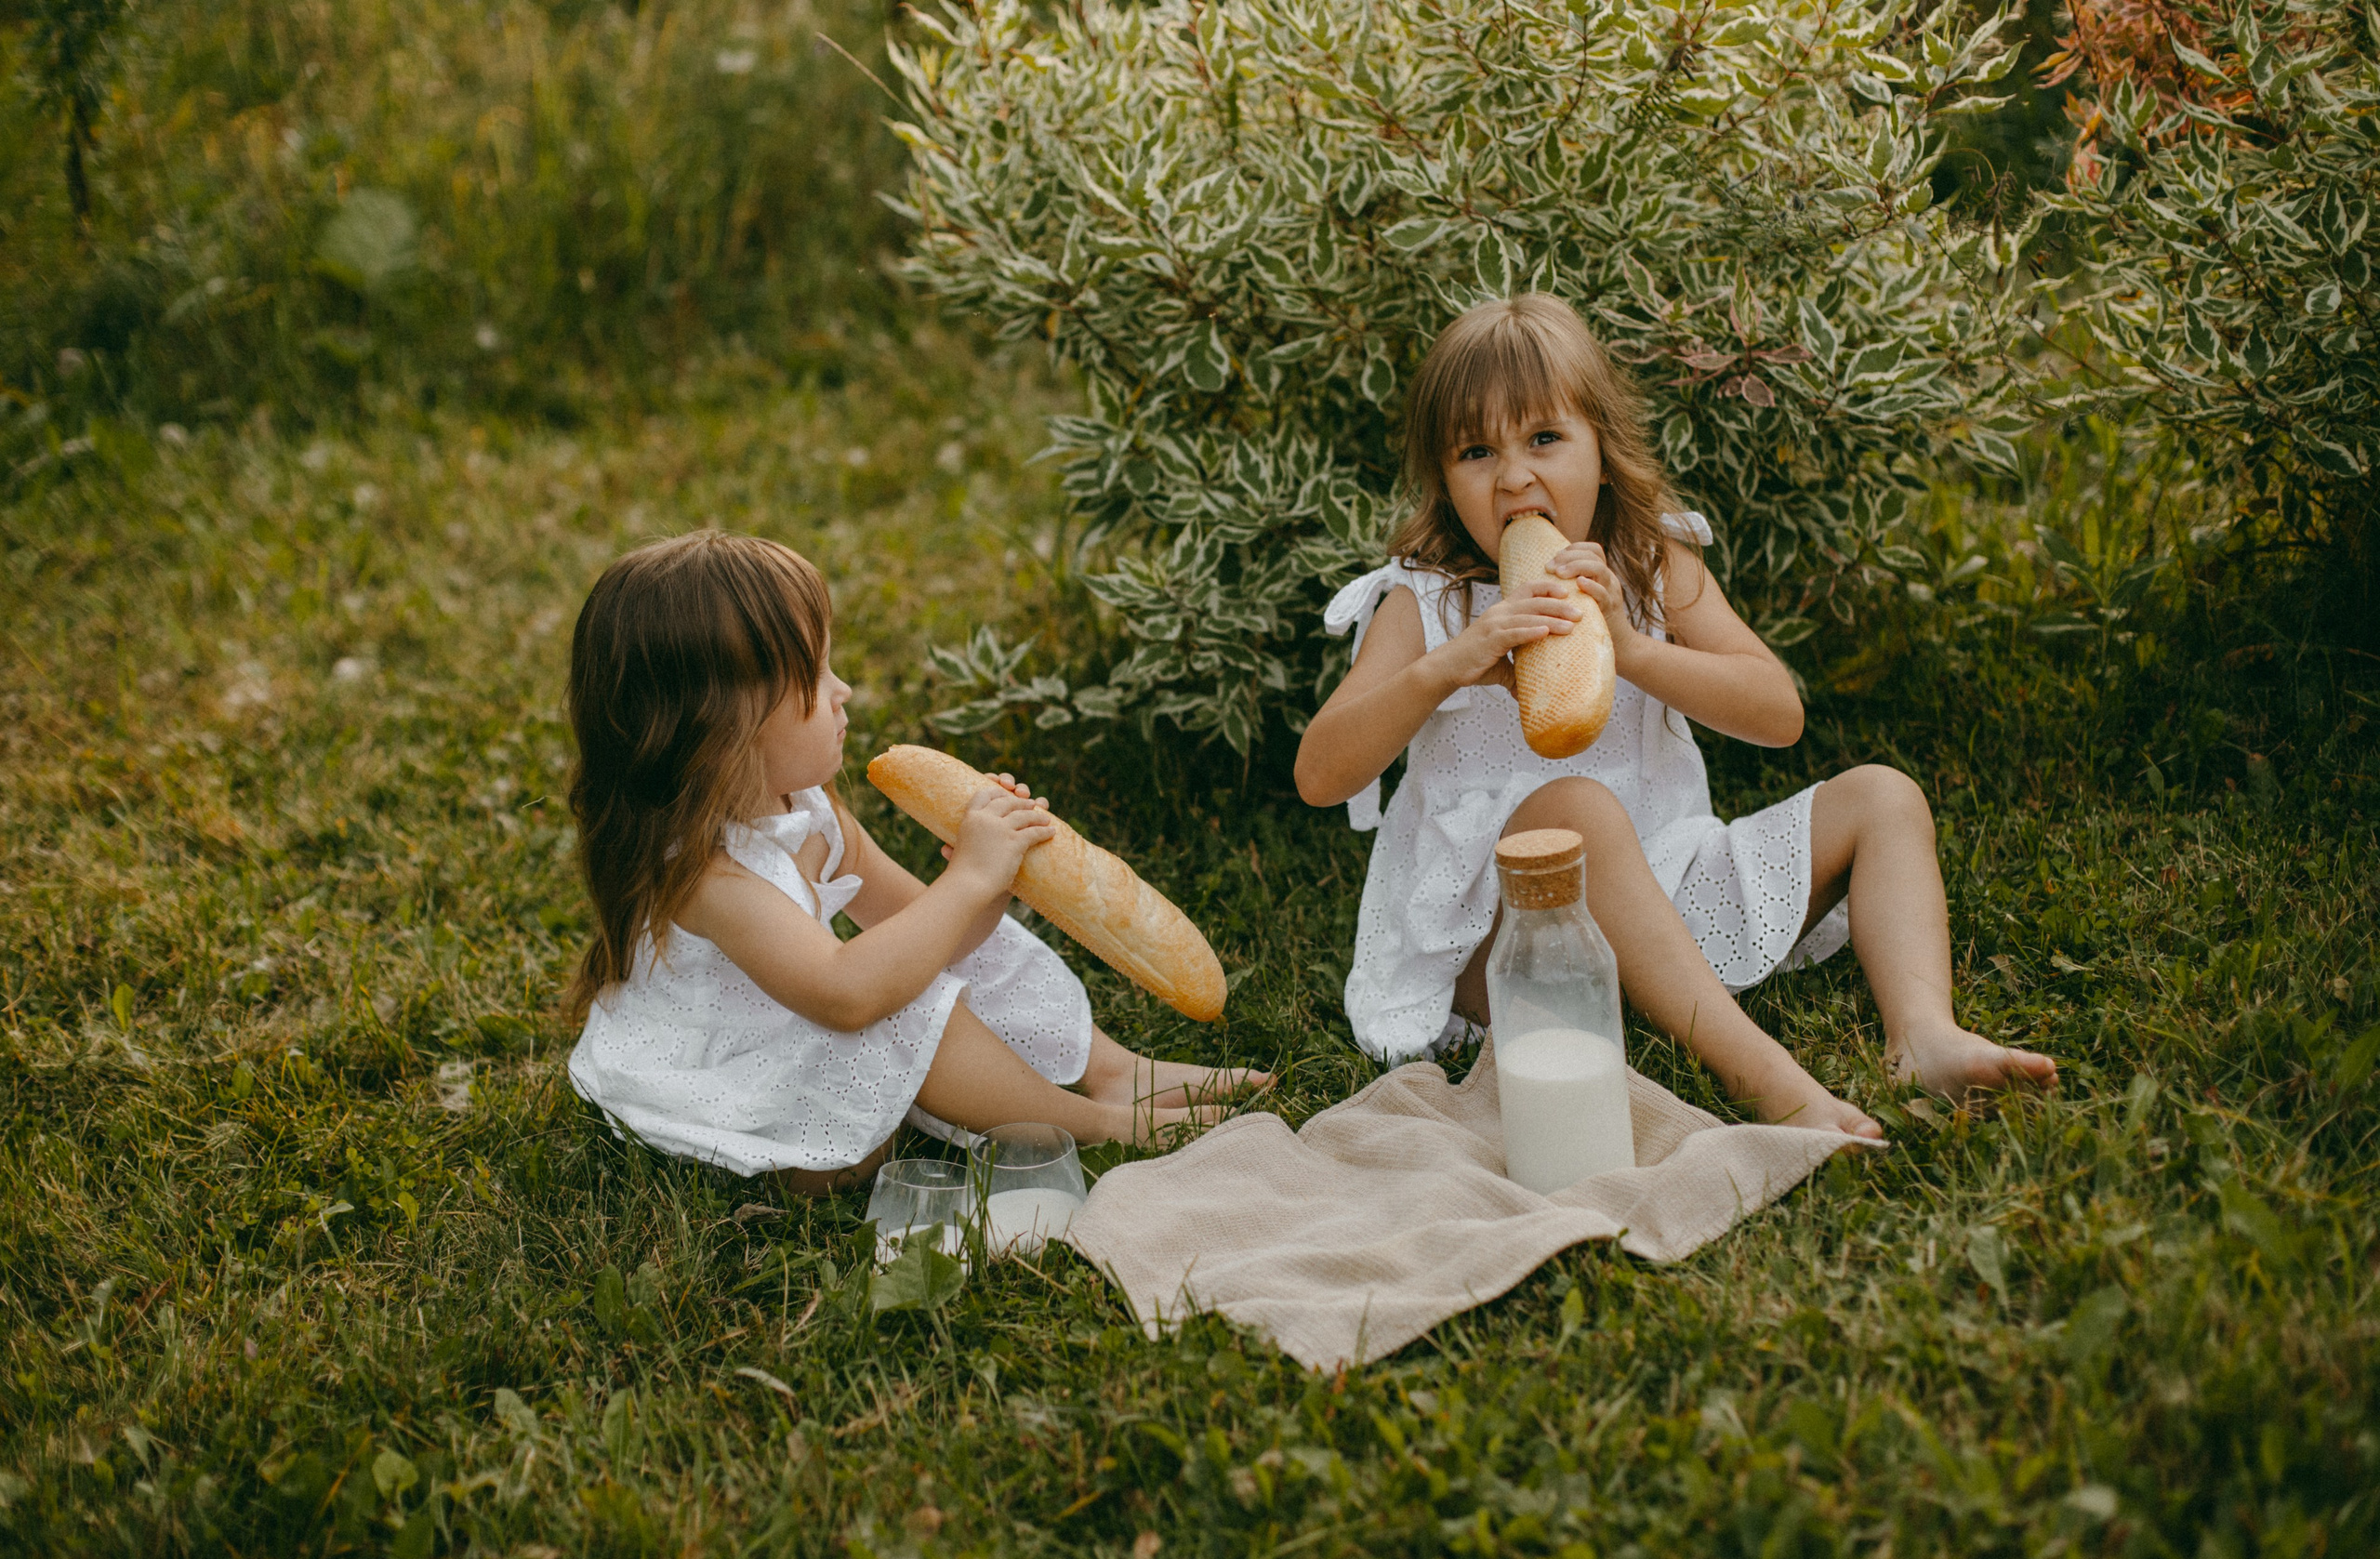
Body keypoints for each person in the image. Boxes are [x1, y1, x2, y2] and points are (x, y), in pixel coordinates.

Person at [1293, 295, 2054, 1137]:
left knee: (1884, 796)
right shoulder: (1426, 600)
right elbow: (1322, 774)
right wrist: (1451, 665)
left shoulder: (1652, 562)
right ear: (1445, 480)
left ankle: (1924, 1032)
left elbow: (1778, 714)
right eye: (1477, 451)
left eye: (1544, 439)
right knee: (1574, 813)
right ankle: (1770, 1079)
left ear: (1603, 452)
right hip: (1502, 944)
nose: (1513, 476)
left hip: (1672, 889)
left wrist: (1634, 648)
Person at [562, 531, 1263, 1192]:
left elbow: (932, 932)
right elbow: (847, 994)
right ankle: (1100, 1124)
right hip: (738, 1097)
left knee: (951, 962)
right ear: (723, 729)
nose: (845, 692)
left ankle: (1115, 1072)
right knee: (905, 1007)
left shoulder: (811, 808)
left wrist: (987, 884)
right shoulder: (710, 879)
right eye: (817, 676)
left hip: (804, 1032)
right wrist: (966, 881)